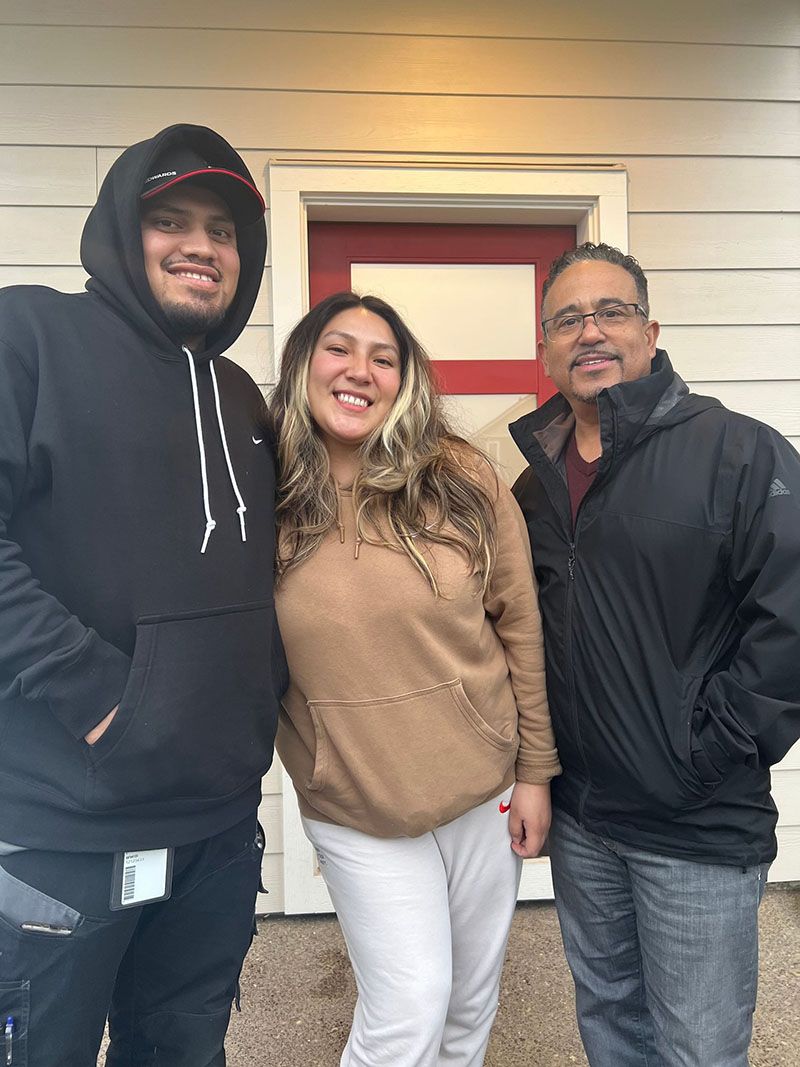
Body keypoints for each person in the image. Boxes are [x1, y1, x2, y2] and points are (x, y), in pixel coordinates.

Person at [0, 124, 287, 1065]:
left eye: (224, 230)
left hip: (216, 830)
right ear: (123, 230)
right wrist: (102, 699)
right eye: (170, 219)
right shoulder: (29, 337)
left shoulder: (244, 398)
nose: (201, 246)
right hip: (65, 835)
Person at [509, 242, 800, 1066]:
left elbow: (791, 621)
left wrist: (708, 753)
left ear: (650, 329)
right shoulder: (536, 485)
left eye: (611, 311)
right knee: (612, 1025)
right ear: (546, 348)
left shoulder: (738, 452)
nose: (590, 331)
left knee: (697, 1046)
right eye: (568, 318)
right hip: (584, 821)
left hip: (695, 819)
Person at [269, 291, 560, 1067]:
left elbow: (520, 626)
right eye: (338, 348)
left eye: (383, 356)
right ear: (303, 365)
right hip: (356, 799)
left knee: (469, 1005)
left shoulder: (460, 479)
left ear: (406, 380)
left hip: (481, 790)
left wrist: (535, 770)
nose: (359, 369)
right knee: (408, 1011)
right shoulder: (263, 497)